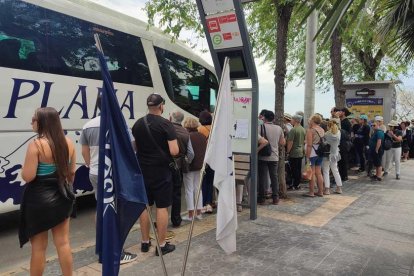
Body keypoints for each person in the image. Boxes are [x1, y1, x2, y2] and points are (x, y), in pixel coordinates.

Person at [79, 95, 137, 263]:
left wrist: (93, 166)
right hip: (114, 173)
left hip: (96, 172)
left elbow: (85, 152)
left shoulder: (87, 125)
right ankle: (116, 252)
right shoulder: (119, 123)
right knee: (115, 209)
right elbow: (132, 147)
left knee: (101, 208)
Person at [19, 107, 76, 276]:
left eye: (34, 119)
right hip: (62, 197)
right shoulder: (69, 143)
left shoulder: (36, 145)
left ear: (42, 122)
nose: (31, 122)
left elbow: (28, 177)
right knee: (63, 243)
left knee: (38, 248)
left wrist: (23, 171)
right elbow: (71, 173)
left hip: (39, 200)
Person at [132, 93, 179, 256]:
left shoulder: (138, 124)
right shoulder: (166, 124)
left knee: (145, 206)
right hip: (161, 171)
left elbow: (136, 148)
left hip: (142, 170)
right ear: (161, 106)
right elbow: (174, 151)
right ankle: (161, 244)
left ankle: (145, 242)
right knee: (162, 206)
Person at [169, 111, 194, 227]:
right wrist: (186, 161)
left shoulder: (167, 129)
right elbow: (191, 153)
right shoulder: (186, 132)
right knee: (176, 192)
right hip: (178, 165)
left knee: (163, 191)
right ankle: (176, 219)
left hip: (165, 163)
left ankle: (160, 218)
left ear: (171, 118)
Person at [258, 110, 285, 205]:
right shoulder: (279, 128)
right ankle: (275, 198)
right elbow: (282, 142)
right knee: (274, 177)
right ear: (273, 118)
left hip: (262, 156)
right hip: (274, 156)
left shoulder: (260, 127)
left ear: (264, 118)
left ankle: (261, 198)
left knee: (262, 177)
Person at [182, 117, 207, 220]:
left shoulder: (187, 136)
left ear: (186, 125)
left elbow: (190, 153)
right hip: (200, 166)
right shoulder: (202, 136)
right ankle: (199, 212)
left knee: (189, 190)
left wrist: (187, 161)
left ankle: (190, 215)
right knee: (198, 189)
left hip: (190, 167)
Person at [304, 114, 325, 197]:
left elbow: (309, 145)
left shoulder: (311, 130)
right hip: (320, 152)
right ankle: (320, 191)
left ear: (312, 121)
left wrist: (307, 156)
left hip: (312, 152)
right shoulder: (322, 129)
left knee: (311, 173)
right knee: (319, 173)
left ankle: (311, 192)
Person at [198, 111, 214, 213]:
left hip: (203, 158)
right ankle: (209, 203)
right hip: (213, 158)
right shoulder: (214, 128)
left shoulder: (200, 129)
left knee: (203, 182)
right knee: (210, 181)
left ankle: (203, 204)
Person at [322, 118, 343, 195]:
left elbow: (324, 143)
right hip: (335, 154)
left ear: (328, 126)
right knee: (335, 170)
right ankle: (339, 187)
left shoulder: (327, 134)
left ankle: (327, 189)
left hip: (327, 154)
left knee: (326, 171)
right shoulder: (338, 133)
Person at [286, 114, 306, 190]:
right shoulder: (303, 129)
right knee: (298, 168)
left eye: (292, 119)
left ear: (295, 120)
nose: (291, 120)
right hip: (300, 151)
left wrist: (288, 151)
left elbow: (290, 142)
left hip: (294, 152)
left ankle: (293, 184)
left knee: (293, 169)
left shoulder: (293, 130)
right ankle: (297, 184)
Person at [338, 108, 352, 181]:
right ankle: (340, 176)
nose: (338, 112)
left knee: (343, 160)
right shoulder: (339, 121)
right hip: (339, 143)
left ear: (343, 113)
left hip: (344, 144)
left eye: (339, 111)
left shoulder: (347, 122)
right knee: (339, 161)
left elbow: (348, 134)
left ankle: (344, 176)